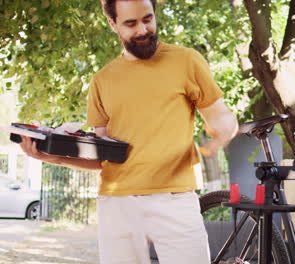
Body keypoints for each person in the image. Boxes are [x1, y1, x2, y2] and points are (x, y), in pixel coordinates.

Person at [19, 0, 239, 263]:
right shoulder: (102, 80)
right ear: (113, 24)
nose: (143, 30)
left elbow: (220, 114)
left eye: (148, 19)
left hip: (175, 198)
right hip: (117, 204)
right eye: (130, 23)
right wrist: (51, 157)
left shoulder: (186, 61)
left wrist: (225, 129)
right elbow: (103, 157)